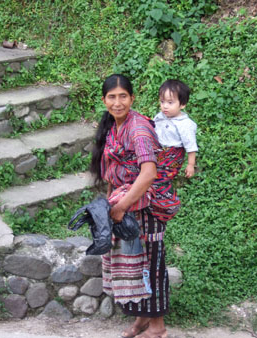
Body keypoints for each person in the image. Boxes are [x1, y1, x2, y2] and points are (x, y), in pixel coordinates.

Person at [90, 74, 173, 338]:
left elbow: (148, 173)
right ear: (104, 100)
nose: (117, 102)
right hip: (126, 205)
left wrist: (121, 206)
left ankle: (158, 327)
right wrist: (109, 204)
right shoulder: (114, 127)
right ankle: (142, 320)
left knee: (150, 264)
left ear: (132, 98)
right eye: (112, 97)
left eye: (123, 96)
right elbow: (114, 173)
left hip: (146, 208)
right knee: (135, 265)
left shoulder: (138, 128)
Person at [154, 79, 198, 179]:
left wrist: (190, 165)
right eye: (162, 101)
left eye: (170, 102)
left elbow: (191, 146)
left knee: (158, 178)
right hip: (158, 150)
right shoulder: (160, 116)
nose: (165, 106)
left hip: (172, 156)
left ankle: (160, 190)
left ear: (182, 104)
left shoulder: (184, 124)